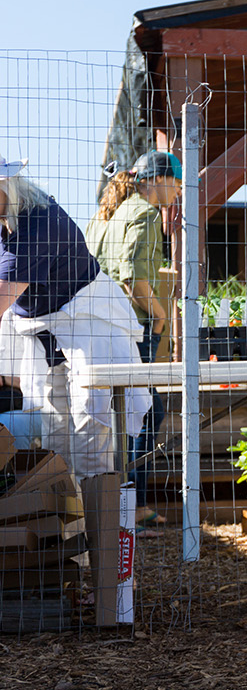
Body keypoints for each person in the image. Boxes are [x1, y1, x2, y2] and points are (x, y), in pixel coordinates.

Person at [0, 151, 150, 484]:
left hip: (87, 324)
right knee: (55, 425)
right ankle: (64, 520)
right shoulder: (8, 221)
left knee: (89, 419)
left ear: (6, 186)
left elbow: (2, 296)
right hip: (49, 331)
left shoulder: (36, 225)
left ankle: (98, 524)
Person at [85, 151, 182, 524]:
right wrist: (159, 319)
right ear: (157, 178)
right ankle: (133, 503)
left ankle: (118, 501)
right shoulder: (143, 212)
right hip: (132, 326)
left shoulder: (108, 213)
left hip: (102, 326)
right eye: (175, 182)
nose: (177, 191)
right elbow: (134, 279)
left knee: (123, 413)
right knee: (146, 411)